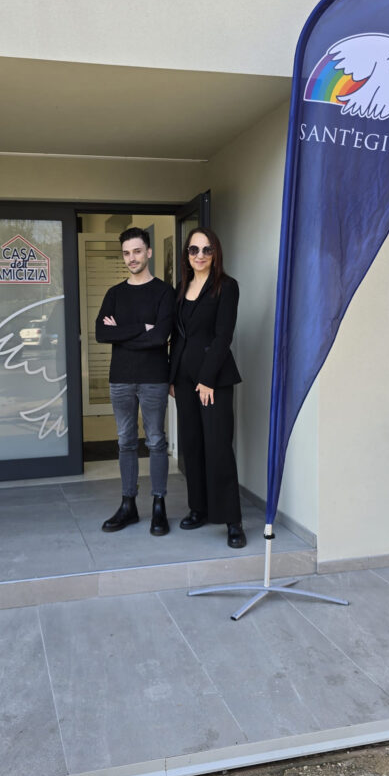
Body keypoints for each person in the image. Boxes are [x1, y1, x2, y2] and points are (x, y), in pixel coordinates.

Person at [169, 227, 246, 548]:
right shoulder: (181, 288)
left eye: (206, 249)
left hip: (213, 380)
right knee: (192, 444)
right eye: (193, 249)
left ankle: (232, 521)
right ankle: (198, 508)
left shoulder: (226, 287)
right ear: (186, 254)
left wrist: (206, 379)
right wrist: (172, 376)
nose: (199, 255)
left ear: (216, 253)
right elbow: (178, 336)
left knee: (218, 447)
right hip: (183, 380)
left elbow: (223, 336)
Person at [95, 227, 175, 536]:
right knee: (126, 441)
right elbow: (102, 333)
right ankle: (128, 505)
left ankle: (159, 506)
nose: (132, 258)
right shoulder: (114, 294)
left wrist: (123, 332)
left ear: (149, 252)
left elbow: (160, 337)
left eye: (137, 251)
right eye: (127, 253)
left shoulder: (164, 292)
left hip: (154, 377)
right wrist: (142, 327)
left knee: (156, 441)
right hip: (121, 379)